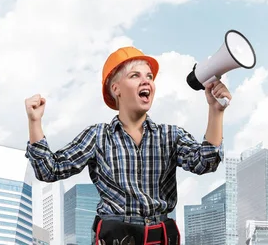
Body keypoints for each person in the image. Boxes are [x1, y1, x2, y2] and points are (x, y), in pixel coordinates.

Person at [24, 46, 230, 245]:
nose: (146, 81)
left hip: (161, 237)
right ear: (116, 89)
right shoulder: (98, 137)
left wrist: (215, 111)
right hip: (117, 237)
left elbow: (206, 162)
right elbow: (49, 170)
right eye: (135, 76)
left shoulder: (170, 136)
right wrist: (35, 122)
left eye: (149, 76)